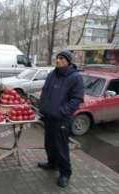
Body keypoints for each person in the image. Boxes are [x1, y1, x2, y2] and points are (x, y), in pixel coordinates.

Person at [38, 50, 84, 187]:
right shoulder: (52, 75)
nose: (58, 60)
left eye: (61, 58)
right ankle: (52, 164)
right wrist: (43, 107)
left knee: (61, 147)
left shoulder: (75, 77)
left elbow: (77, 99)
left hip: (61, 119)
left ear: (68, 61)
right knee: (49, 144)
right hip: (48, 117)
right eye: (57, 57)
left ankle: (65, 173)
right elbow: (46, 92)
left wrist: (61, 112)